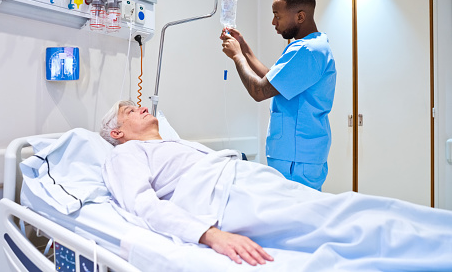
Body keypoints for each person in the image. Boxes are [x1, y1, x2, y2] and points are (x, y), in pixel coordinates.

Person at [99, 100, 452, 270]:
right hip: (224, 199)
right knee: (341, 219)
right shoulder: (125, 155)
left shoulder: (172, 144)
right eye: (129, 110)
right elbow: (143, 205)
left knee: (348, 207)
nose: (140, 107)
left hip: (250, 180)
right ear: (117, 132)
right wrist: (210, 234)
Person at [220, 0, 336, 191]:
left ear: (300, 17)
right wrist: (244, 48)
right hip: (299, 154)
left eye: (277, 16)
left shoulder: (306, 50)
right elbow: (271, 80)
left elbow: (259, 91)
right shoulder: (312, 46)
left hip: (296, 157)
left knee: (295, 215)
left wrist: (237, 56)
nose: (274, 22)